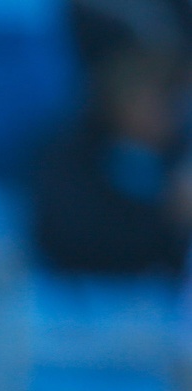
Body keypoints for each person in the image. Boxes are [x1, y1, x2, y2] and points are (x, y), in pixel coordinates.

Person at [32, 47, 192, 278]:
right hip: (79, 298)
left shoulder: (178, 157)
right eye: (144, 97)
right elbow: (71, 239)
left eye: (169, 99)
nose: (160, 111)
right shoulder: (70, 157)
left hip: (162, 301)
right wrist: (166, 217)